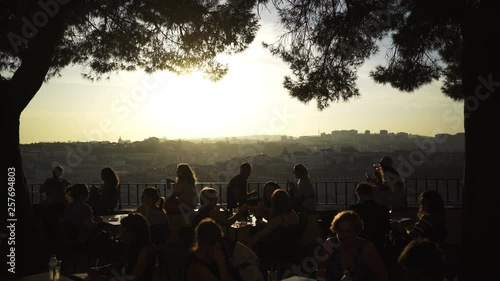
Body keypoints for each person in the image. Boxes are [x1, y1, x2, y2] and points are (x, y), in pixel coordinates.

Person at [318, 210, 388, 281]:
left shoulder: (367, 249)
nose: (343, 235)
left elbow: (382, 277)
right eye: (340, 231)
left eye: (348, 231)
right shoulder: (330, 245)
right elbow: (321, 272)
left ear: (356, 232)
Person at [88, 212, 157, 281]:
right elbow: (121, 264)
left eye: (124, 233)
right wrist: (99, 270)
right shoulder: (132, 244)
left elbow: (133, 278)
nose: (121, 236)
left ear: (134, 233)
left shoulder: (145, 251)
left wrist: (108, 279)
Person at [246, 189, 301, 261]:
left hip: (277, 248)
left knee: (253, 238)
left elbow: (263, 233)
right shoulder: (293, 214)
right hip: (290, 245)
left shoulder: (279, 218)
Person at [348, 182, 391, 261]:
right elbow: (387, 228)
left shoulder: (355, 209)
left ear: (359, 194)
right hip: (379, 243)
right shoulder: (383, 208)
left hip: (360, 245)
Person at [38, 165, 71, 239]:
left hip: (51, 203)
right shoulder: (65, 182)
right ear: (61, 173)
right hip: (63, 203)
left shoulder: (49, 181)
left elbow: (41, 191)